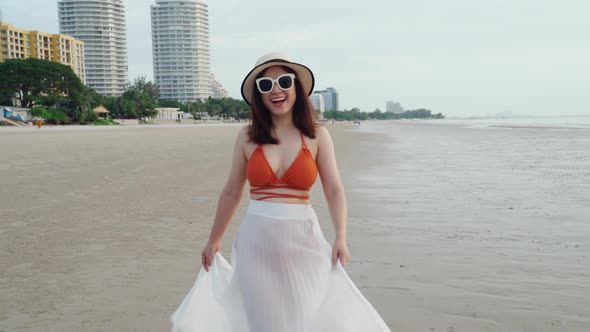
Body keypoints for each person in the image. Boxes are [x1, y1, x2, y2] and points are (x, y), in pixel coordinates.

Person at [170, 53, 391, 332]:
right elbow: (231, 192)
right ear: (259, 96)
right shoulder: (247, 137)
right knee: (263, 324)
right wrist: (213, 240)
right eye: (266, 85)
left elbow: (334, 189)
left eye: (284, 81)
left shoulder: (318, 136)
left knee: (304, 321)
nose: (276, 90)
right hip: (256, 246)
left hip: (305, 243)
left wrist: (341, 238)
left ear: (296, 87)